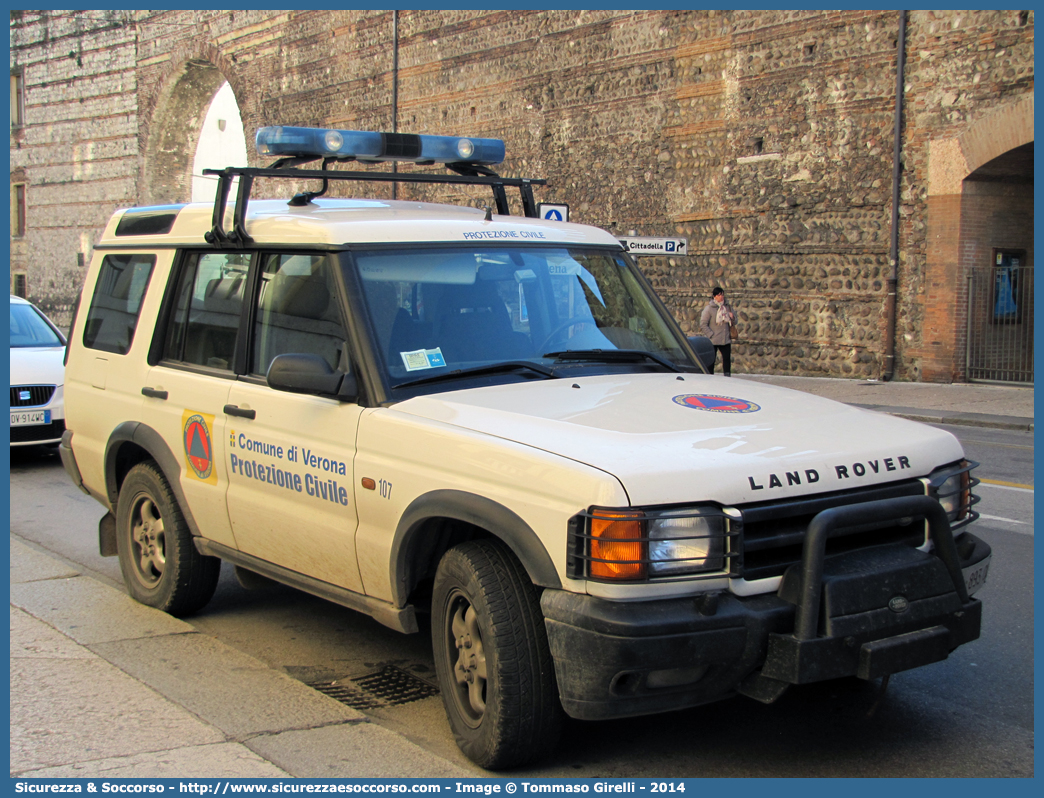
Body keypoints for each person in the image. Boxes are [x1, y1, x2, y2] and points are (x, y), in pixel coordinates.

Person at [698, 286, 736, 376]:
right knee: (711, 360)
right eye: (719, 295)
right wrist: (711, 334)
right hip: (713, 339)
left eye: (722, 295)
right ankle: (710, 377)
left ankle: (727, 376)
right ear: (714, 296)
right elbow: (703, 324)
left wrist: (732, 317)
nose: (721, 297)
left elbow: (735, 321)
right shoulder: (709, 309)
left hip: (725, 338)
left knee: (727, 359)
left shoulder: (727, 307)